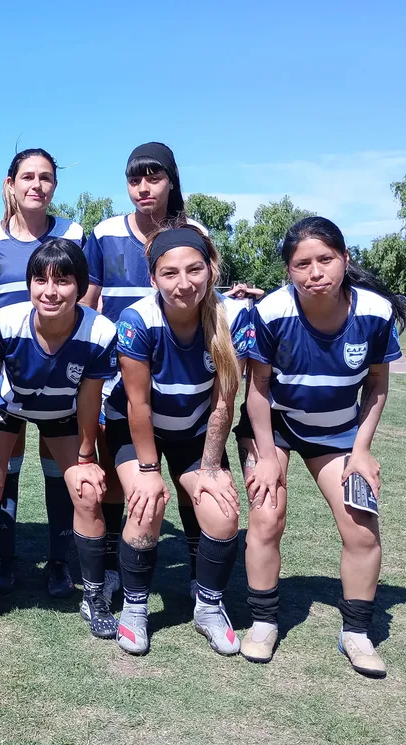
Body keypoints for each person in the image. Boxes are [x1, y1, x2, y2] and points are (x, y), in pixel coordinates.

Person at [234, 216, 406, 677]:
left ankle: (356, 632)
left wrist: (362, 449)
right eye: (301, 264)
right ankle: (262, 622)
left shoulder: (373, 312)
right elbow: (256, 391)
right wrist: (268, 457)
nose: (315, 272)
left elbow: (376, 384)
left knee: (362, 528)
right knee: (267, 514)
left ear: (345, 258)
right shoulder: (271, 312)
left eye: (325, 259)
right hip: (274, 427)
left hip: (338, 433)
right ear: (289, 271)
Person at [106, 224, 254, 656]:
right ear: (153, 278)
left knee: (224, 514)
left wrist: (210, 468)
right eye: (170, 273)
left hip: (193, 431)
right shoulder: (138, 319)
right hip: (139, 429)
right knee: (146, 504)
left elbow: (224, 402)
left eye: (194, 270)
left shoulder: (233, 316)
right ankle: (134, 608)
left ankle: (207, 607)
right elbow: (138, 406)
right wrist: (150, 472)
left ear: (210, 270)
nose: (183, 283)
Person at [0, 239, 117, 641]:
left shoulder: (99, 330)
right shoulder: (5, 322)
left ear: (81, 286)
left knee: (85, 490)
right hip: (7, 409)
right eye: (40, 279)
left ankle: (93, 595)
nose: (50, 290)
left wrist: (86, 455)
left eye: (63, 280)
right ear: (29, 284)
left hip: (62, 414)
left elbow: (88, 395)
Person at [83, 142, 208, 604]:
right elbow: (90, 301)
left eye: (153, 178)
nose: (143, 188)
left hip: (182, 379)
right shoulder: (106, 232)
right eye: (135, 179)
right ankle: (115, 566)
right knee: (119, 476)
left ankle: (199, 569)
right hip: (120, 380)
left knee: (185, 476)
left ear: (172, 180)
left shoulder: (192, 231)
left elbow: (205, 297)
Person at [0, 147, 87, 598]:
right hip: (6, 379)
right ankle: (5, 559)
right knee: (2, 467)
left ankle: (59, 563)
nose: (37, 185)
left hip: (62, 377)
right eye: (28, 177)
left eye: (46, 178)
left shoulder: (75, 233)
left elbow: (86, 297)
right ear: (11, 184)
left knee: (60, 470)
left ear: (54, 186)